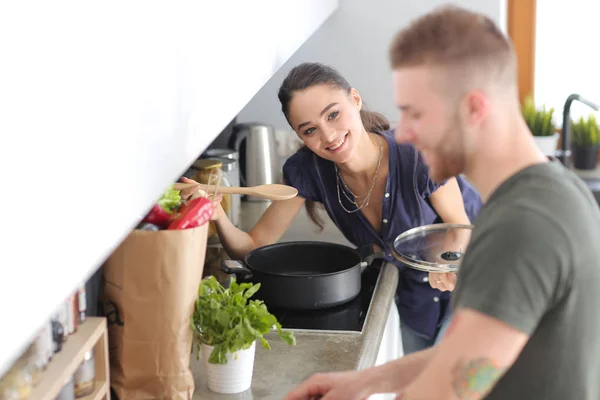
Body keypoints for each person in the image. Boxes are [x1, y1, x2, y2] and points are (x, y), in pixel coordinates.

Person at [284, 5, 600, 400]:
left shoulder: (526, 224)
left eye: (416, 114)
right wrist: (365, 381)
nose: (407, 133)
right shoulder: (541, 195)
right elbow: (470, 355)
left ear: (473, 107)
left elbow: (459, 385)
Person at [182, 61, 482, 354]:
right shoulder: (308, 170)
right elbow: (253, 249)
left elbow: (458, 226)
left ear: (355, 99)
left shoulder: (420, 152)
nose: (328, 135)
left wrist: (447, 262)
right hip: (412, 293)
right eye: (309, 130)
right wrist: (216, 213)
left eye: (333, 114)